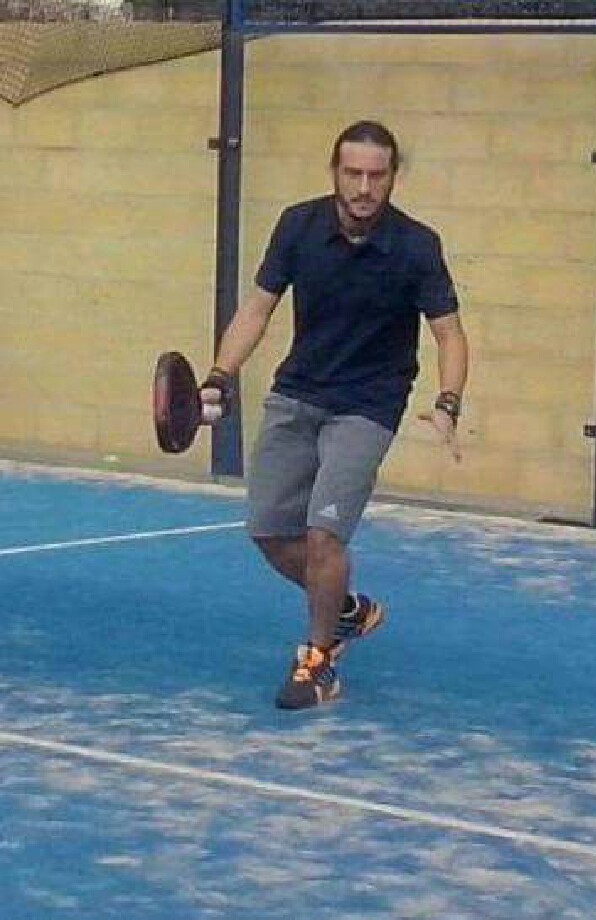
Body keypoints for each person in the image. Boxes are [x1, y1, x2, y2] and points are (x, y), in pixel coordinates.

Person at [199, 120, 468, 710]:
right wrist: (220, 374)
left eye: (377, 175)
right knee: (269, 532)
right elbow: (257, 309)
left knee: (324, 536)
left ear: (392, 177)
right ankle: (346, 608)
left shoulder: (417, 246)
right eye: (353, 174)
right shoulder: (298, 226)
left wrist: (448, 401)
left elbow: (449, 334)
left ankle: (319, 662)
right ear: (335, 173)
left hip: (368, 407)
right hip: (297, 393)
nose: (364, 187)